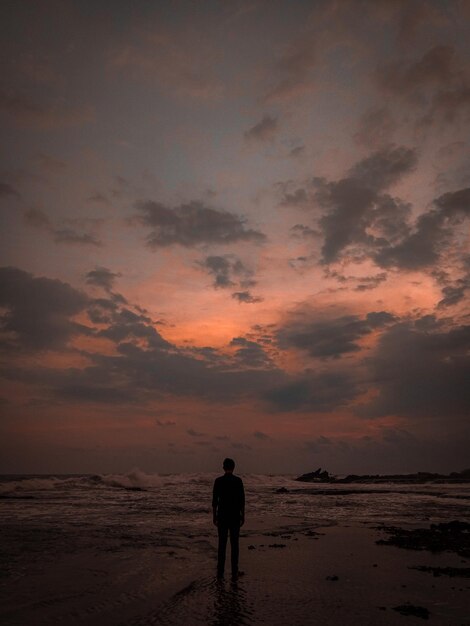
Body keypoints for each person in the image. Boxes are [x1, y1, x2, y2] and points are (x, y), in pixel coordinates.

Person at [212, 457, 245, 580]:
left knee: (222, 544)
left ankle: (220, 571)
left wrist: (214, 516)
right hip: (235, 516)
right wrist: (243, 516)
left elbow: (215, 501)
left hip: (222, 516)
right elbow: (242, 500)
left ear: (223, 467)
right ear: (234, 467)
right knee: (234, 544)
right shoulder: (238, 481)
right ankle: (234, 570)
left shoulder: (218, 481)